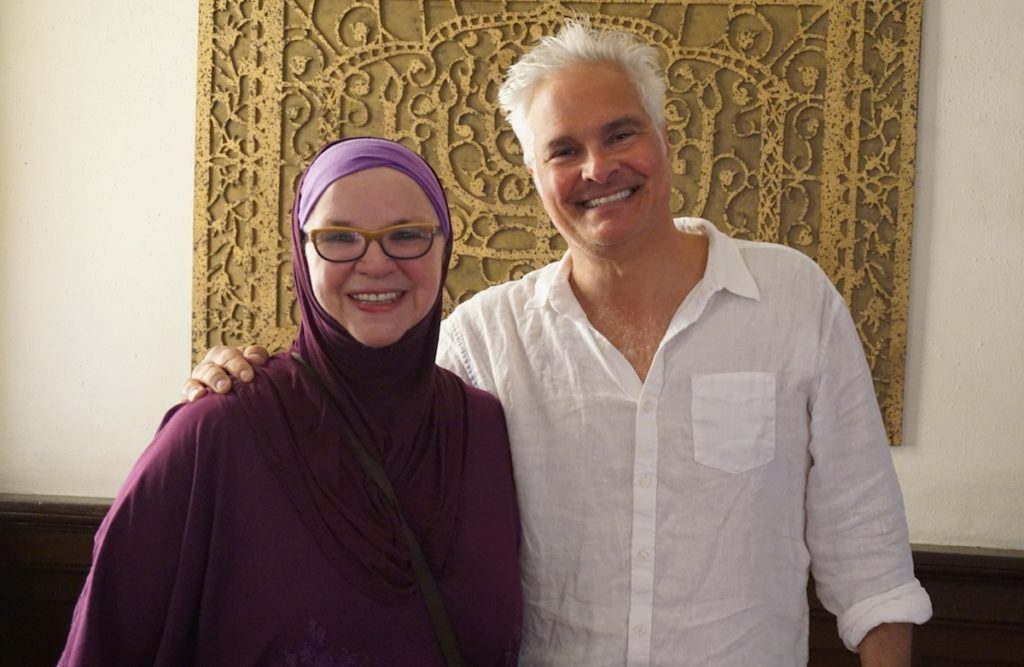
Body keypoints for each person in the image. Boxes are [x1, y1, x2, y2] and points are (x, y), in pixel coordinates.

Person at [184, 19, 932, 666]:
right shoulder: (483, 336)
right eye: (563, 150)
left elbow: (865, 547)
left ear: (665, 138)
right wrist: (247, 378)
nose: (598, 169)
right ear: (536, 176)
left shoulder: (792, 300)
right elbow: (356, 427)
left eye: (620, 134)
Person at [61, 138, 522, 665]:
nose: (375, 262)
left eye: (408, 234)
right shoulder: (217, 433)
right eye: (339, 237)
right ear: (300, 254)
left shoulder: (483, 429)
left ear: (445, 246)